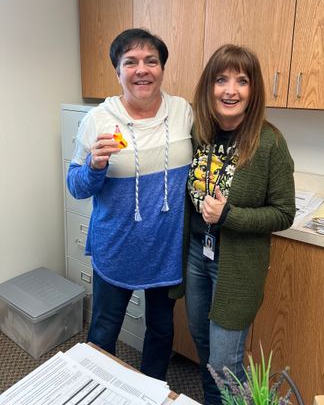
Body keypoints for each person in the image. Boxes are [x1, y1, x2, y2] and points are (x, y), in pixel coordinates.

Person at [67, 28, 193, 381]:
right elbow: (75, 186)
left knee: (161, 331)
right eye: (131, 62)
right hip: (117, 246)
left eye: (151, 61)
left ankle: (151, 390)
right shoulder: (98, 120)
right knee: (105, 329)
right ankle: (95, 390)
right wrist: (94, 167)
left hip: (165, 250)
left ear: (162, 69)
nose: (142, 69)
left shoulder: (183, 111)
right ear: (117, 71)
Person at [185, 44, 296, 404]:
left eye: (241, 81)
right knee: (203, 345)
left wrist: (229, 215)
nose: (230, 90)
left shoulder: (269, 143)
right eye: (221, 79)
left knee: (225, 363)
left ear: (254, 90)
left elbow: (283, 212)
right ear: (209, 87)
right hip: (196, 256)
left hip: (236, 267)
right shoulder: (200, 134)